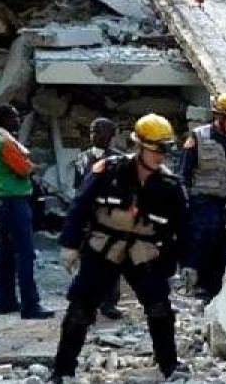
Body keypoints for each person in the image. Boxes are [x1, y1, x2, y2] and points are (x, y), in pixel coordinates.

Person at [51, 114, 189, 383]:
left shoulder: (170, 185)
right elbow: (79, 207)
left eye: (165, 150)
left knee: (160, 308)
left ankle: (169, 365)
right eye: (156, 149)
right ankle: (62, 370)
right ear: (139, 146)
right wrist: (69, 245)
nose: (161, 156)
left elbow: (182, 228)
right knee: (80, 309)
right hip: (103, 248)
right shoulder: (108, 171)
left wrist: (186, 263)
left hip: (143, 252)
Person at [0, 104, 54, 319]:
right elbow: (24, 168)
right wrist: (30, 167)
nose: (18, 121)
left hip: (4, 201)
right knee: (25, 253)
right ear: (5, 120)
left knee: (6, 253)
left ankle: (6, 300)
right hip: (14, 200)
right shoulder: (4, 142)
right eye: (15, 117)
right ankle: (30, 304)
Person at [179, 93, 226, 301]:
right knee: (204, 236)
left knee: (222, 245)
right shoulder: (198, 137)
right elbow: (185, 172)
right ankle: (195, 282)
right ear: (219, 117)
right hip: (203, 200)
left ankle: (212, 288)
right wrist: (184, 199)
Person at [75, 118, 126, 320]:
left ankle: (109, 302)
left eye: (100, 132)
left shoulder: (120, 161)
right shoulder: (83, 159)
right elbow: (78, 188)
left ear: (111, 135)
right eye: (92, 131)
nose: (95, 136)